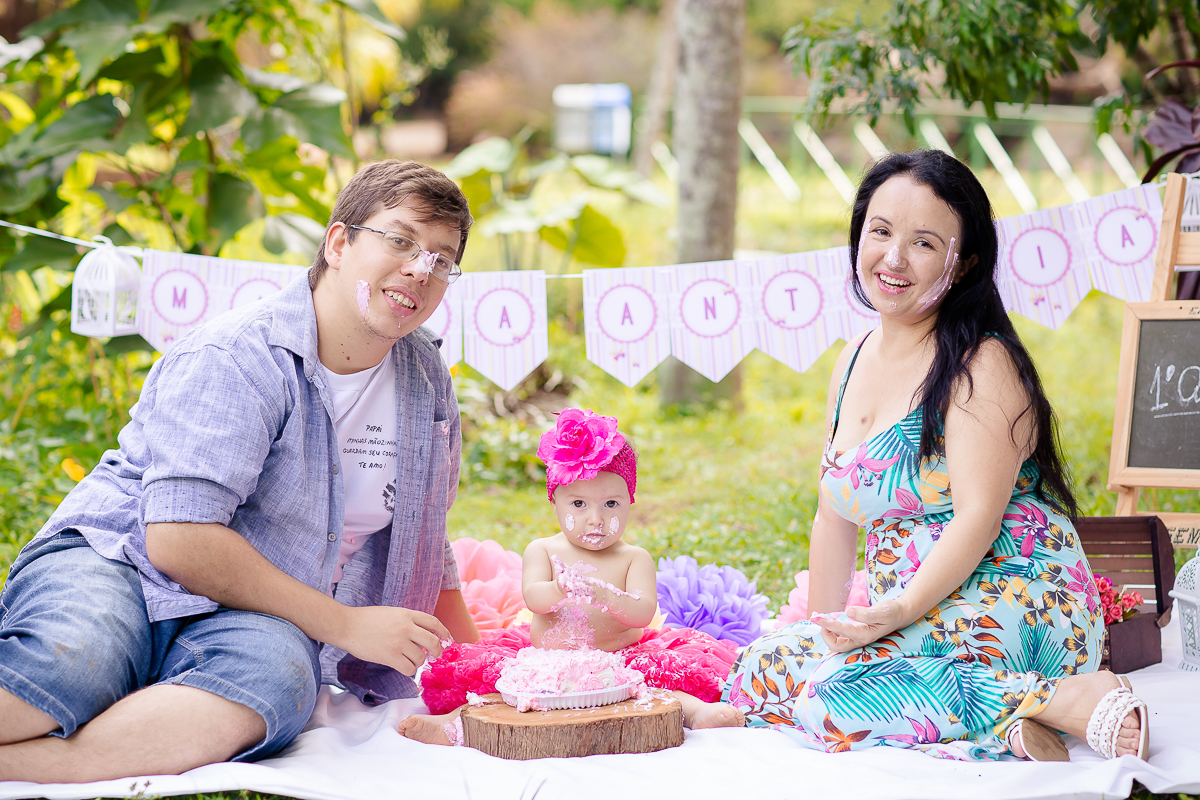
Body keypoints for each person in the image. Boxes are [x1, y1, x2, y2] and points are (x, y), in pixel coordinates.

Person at [0, 160, 480, 781]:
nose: (422, 267)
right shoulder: (237, 355)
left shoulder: (425, 382)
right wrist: (347, 626)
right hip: (121, 558)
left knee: (279, 682)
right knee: (75, 664)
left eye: (443, 258)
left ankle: (54, 766)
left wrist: (480, 671)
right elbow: (177, 537)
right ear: (338, 243)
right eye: (400, 239)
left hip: (253, 609)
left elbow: (423, 536)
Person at [686, 150, 1149, 762]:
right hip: (911, 612)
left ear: (964, 266)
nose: (894, 258)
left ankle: (1074, 699)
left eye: (924, 243)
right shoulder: (851, 360)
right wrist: (822, 632)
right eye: (880, 232)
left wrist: (893, 611)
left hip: (1009, 597)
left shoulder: (981, 365)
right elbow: (834, 515)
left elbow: (976, 521)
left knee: (832, 696)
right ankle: (1014, 716)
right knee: (766, 665)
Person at [398, 409, 743, 745]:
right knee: (503, 688)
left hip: (620, 656)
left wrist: (604, 597)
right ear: (556, 504)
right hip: (548, 658)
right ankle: (452, 724)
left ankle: (696, 713)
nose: (595, 518)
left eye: (610, 504)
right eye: (578, 505)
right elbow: (535, 598)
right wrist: (560, 588)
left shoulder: (633, 558)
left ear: (629, 501)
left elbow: (641, 612)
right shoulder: (544, 551)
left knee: (656, 686)